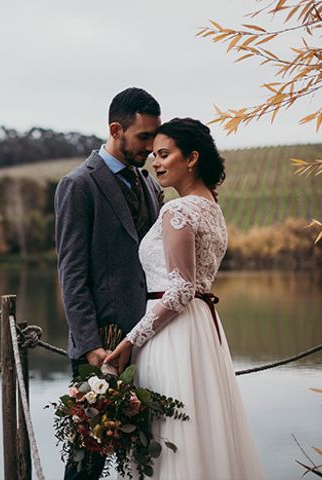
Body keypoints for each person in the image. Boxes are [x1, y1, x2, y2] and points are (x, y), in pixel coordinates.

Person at [105, 118, 264, 479]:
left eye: (164, 154)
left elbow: (180, 289)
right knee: (201, 427)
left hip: (172, 335)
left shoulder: (178, 210)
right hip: (202, 331)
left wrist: (132, 339)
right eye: (154, 155)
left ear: (191, 158)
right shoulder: (212, 207)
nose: (155, 163)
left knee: (174, 435)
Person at [54, 87, 165, 479]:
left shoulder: (150, 184)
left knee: (145, 453)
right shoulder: (78, 185)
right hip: (102, 342)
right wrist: (89, 346)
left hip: (148, 338)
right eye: (143, 137)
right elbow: (72, 272)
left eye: (155, 136)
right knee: (88, 459)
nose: (152, 147)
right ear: (116, 129)